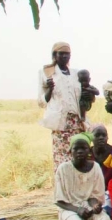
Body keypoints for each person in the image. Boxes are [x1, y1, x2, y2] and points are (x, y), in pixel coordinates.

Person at [38, 42, 92, 172]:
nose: (64, 57)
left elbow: (82, 95)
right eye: (61, 54)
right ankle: (63, 189)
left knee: (79, 156)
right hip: (60, 122)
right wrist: (50, 89)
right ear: (54, 55)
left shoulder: (76, 74)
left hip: (77, 121)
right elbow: (41, 102)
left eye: (67, 54)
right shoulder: (47, 73)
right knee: (62, 158)